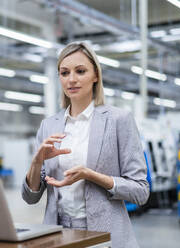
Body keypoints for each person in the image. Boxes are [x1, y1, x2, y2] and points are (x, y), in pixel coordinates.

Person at [22, 41, 149, 248]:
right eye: (64, 73)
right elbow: (30, 197)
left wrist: (92, 175)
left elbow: (141, 191)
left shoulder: (119, 120)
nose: (71, 79)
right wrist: (36, 163)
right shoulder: (49, 126)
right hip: (58, 235)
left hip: (104, 237)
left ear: (95, 76)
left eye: (80, 71)